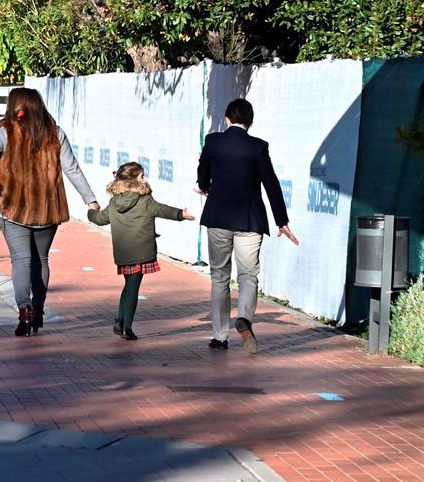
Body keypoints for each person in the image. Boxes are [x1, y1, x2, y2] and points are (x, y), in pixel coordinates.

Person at [0, 87, 101, 337]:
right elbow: (71, 168)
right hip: (48, 207)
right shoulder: (55, 131)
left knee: (21, 260)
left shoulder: (7, 130)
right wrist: (90, 200)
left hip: (14, 206)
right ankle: (39, 309)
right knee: (41, 260)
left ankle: (24, 309)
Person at [197, 98, 300, 353]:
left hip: (218, 218)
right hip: (250, 220)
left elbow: (202, 173)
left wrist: (204, 187)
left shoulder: (213, 142)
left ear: (227, 119)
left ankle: (220, 335)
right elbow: (271, 184)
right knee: (248, 276)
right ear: (250, 123)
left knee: (219, 276)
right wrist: (282, 221)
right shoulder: (258, 147)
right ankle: (244, 318)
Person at [88, 162, 195, 341]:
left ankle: (120, 320)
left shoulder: (115, 201)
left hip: (123, 252)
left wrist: (91, 213)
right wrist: (180, 214)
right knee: (133, 288)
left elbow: (100, 219)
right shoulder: (145, 200)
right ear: (135, 180)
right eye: (142, 176)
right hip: (141, 251)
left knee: (129, 284)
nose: (144, 179)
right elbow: (162, 210)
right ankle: (126, 327)